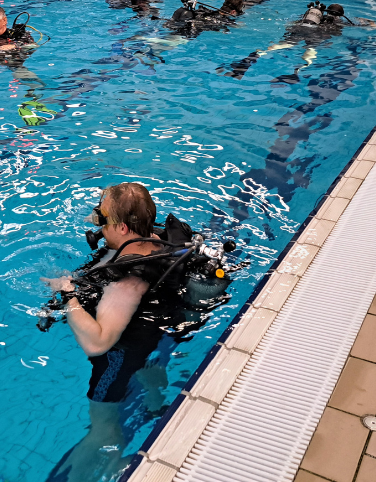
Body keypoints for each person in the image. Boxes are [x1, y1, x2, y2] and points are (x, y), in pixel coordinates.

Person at [41, 183, 233, 482]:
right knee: (144, 362)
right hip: (152, 335)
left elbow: (98, 343)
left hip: (118, 358)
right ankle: (155, 401)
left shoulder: (127, 280)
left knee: (102, 426)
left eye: (101, 218)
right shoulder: (157, 240)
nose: (97, 223)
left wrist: (67, 295)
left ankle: (115, 464)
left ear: (122, 227)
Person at [218, 1, 376, 81]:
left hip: (299, 29)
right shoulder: (338, 21)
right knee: (310, 51)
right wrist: (370, 23)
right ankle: (297, 72)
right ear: (340, 15)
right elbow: (364, 25)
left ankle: (249, 60)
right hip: (317, 35)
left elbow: (292, 23)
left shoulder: (312, 16)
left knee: (278, 46)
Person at [167, 0, 245, 38]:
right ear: (233, 12)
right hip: (193, 28)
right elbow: (240, 27)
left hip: (184, 19)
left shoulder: (207, 11)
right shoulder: (226, 21)